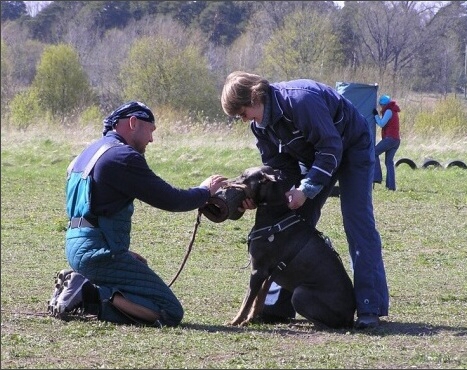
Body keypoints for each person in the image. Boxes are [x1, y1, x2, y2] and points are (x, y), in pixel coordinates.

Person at [220, 71, 389, 329]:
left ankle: (369, 306)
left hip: (351, 146)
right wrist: (260, 195)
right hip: (317, 156)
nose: (244, 120)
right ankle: (277, 306)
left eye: (242, 113)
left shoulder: (300, 101)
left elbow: (331, 148)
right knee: (293, 219)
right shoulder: (260, 126)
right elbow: (279, 168)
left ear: (254, 96)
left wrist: (307, 188)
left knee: (357, 222)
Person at [47, 101, 227, 327]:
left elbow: (91, 212)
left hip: (78, 246)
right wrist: (204, 191)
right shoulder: (122, 157)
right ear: (133, 123)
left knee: (140, 291)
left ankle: (79, 289)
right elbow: (170, 199)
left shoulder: (86, 154)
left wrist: (120, 251)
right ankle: (88, 295)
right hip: (99, 252)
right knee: (169, 311)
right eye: (150, 130)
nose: (151, 139)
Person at [373, 95, 401, 191]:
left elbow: (381, 124)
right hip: (396, 140)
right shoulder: (393, 110)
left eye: (381, 105)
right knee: (389, 162)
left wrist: (375, 115)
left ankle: (376, 177)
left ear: (383, 104)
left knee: (373, 153)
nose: (380, 107)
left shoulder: (389, 111)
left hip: (390, 139)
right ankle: (391, 187)